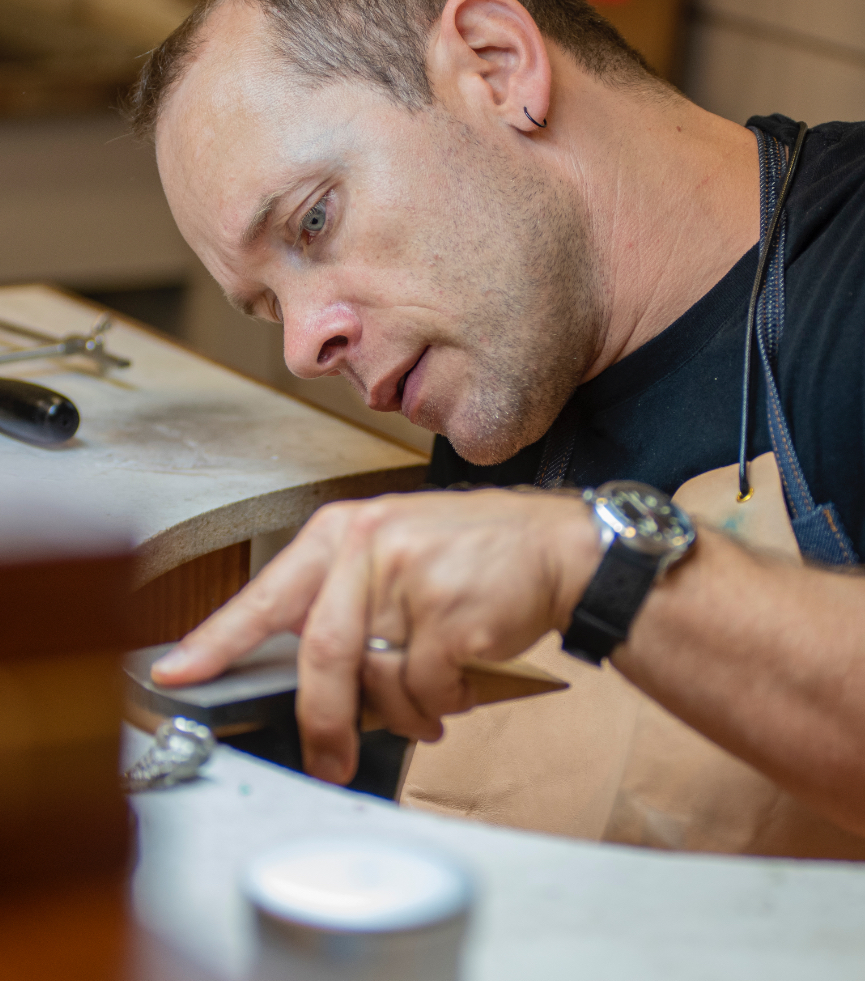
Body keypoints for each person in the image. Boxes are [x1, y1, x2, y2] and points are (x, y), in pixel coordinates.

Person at [130, 0, 865, 854]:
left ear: (497, 64)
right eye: (266, 307)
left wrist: (588, 562)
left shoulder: (844, 279)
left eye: (315, 221)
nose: (304, 346)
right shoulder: (510, 356)